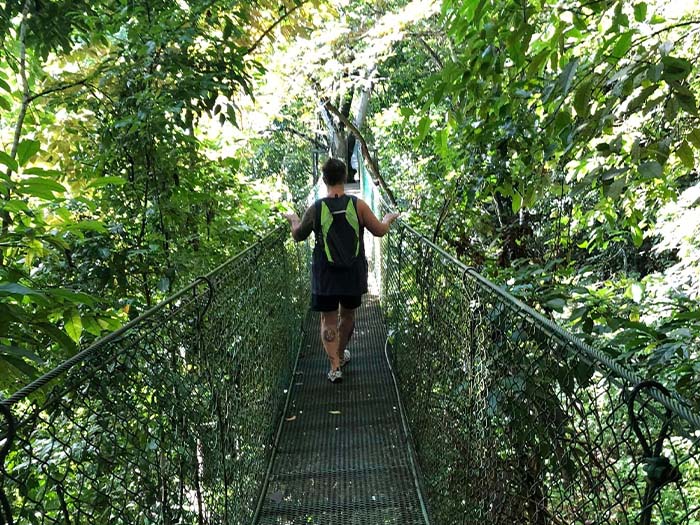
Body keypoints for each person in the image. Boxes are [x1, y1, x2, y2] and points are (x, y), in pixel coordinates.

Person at [284, 158, 399, 383]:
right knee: (347, 316)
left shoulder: (316, 208)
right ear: (345, 178)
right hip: (352, 273)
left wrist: (294, 219)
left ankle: (334, 367)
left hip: (325, 275)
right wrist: (387, 219)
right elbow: (379, 231)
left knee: (328, 320)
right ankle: (341, 354)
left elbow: (298, 235)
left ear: (324, 180)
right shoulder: (359, 205)